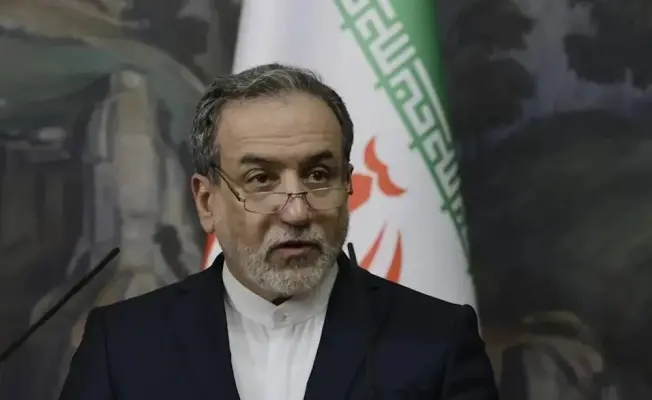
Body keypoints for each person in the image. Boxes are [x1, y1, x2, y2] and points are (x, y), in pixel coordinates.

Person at [59, 64, 498, 399]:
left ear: (348, 185)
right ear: (207, 201)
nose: (297, 211)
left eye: (318, 175)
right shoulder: (123, 344)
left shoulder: (437, 339)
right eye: (261, 179)